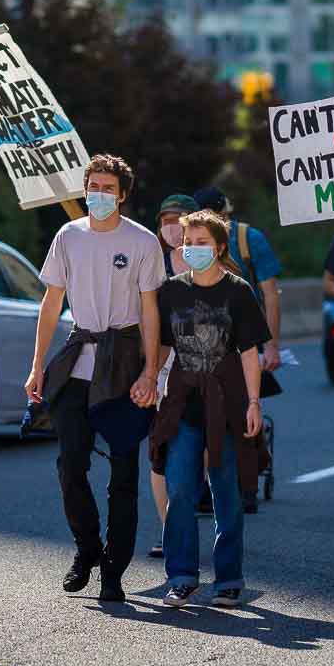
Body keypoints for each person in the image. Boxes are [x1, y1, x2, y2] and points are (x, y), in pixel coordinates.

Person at [24, 154, 164, 603]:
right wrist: (36, 365)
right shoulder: (68, 236)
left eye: (108, 188)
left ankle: (114, 571)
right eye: (93, 187)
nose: (99, 195)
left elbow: (149, 310)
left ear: (122, 195)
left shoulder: (142, 242)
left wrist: (150, 372)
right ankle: (87, 549)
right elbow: (51, 303)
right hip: (78, 361)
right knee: (70, 465)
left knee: (123, 474)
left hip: (123, 365)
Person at [150, 210, 269, 608]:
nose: (193, 249)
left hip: (230, 403)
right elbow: (163, 345)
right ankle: (182, 576)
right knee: (180, 488)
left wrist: (254, 402)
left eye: (202, 243)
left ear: (219, 247)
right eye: (188, 242)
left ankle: (228, 579)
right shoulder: (170, 292)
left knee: (227, 493)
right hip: (182, 400)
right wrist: (148, 378)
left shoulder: (239, 292)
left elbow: (250, 352)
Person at [193, 186, 282, 513]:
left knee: (242, 410)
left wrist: (271, 344)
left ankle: (246, 482)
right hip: (203, 342)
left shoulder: (248, 239)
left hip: (244, 338)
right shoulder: (190, 242)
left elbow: (270, 292)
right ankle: (207, 484)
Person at [148, 191, 199, 558]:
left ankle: (203, 525)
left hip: (207, 370)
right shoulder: (151, 261)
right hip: (164, 367)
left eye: (178, 219)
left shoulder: (214, 261)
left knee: (206, 453)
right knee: (161, 449)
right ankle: (170, 531)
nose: (171, 228)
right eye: (165, 220)